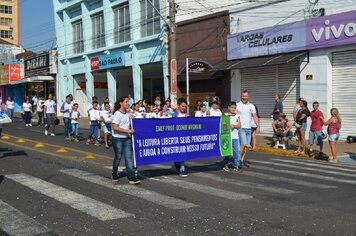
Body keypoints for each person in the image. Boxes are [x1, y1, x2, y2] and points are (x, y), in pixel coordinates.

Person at [111, 96, 140, 184]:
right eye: (126, 102)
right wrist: (127, 131)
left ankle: (131, 177)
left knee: (128, 157)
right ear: (121, 103)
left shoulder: (128, 113)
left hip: (127, 138)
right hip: (117, 138)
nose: (128, 104)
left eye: (128, 102)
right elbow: (114, 127)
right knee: (118, 157)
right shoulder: (117, 114)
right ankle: (114, 173)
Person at [236, 90, 259, 168]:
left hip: (249, 128)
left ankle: (241, 160)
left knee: (246, 146)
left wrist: (257, 126)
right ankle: (238, 161)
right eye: (243, 96)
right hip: (240, 128)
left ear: (248, 97)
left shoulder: (251, 106)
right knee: (243, 144)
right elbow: (233, 114)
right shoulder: (237, 105)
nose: (244, 97)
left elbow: (255, 116)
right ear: (241, 96)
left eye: (245, 96)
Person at [223, 101, 242, 172]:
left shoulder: (237, 116)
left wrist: (234, 126)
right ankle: (226, 165)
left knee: (237, 152)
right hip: (227, 137)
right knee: (228, 152)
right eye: (232, 107)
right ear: (228, 108)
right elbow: (223, 126)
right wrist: (228, 125)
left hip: (235, 137)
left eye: (235, 107)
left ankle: (236, 165)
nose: (234, 109)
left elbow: (240, 125)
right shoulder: (225, 115)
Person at [172, 98, 188, 177]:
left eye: (185, 106)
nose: (184, 108)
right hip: (176, 137)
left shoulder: (186, 115)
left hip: (184, 137)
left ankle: (182, 169)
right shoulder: (175, 114)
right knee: (178, 153)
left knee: (182, 153)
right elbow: (172, 124)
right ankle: (180, 167)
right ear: (178, 106)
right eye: (183, 106)